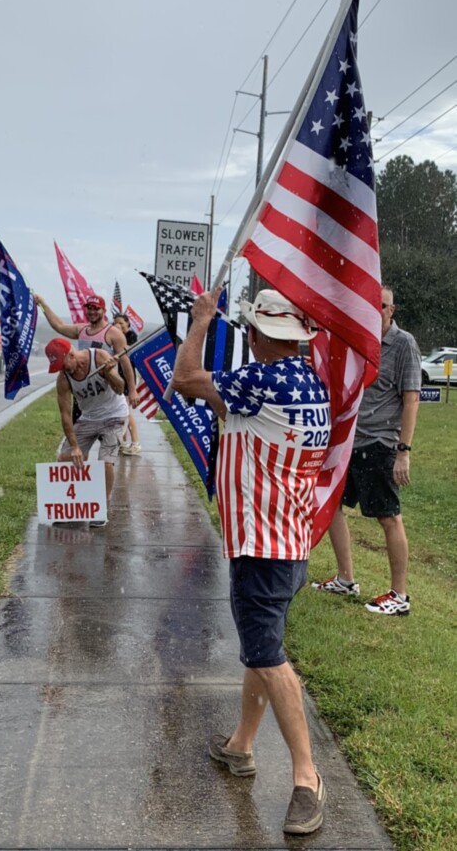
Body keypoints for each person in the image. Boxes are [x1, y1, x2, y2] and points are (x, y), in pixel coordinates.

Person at [172, 287, 330, 836]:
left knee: (267, 657)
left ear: (260, 336)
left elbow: (184, 379)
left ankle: (307, 778)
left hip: (260, 548)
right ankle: (241, 745)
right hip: (291, 542)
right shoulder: (310, 383)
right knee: (261, 650)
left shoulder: (260, 381)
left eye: (251, 332)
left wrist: (200, 320)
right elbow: (238, 415)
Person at [312, 285, 421, 615]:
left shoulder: (403, 344)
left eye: (382, 305)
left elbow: (411, 399)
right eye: (371, 304)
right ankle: (346, 579)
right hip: (350, 442)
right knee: (332, 505)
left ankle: (399, 596)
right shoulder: (357, 340)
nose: (376, 310)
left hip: (380, 444)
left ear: (392, 310)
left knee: (388, 517)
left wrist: (403, 451)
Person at [45, 337, 128, 527]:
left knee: (105, 462)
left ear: (71, 354)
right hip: (89, 417)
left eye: (63, 364)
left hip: (114, 415)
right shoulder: (64, 379)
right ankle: (70, 505)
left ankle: (102, 506)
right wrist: (74, 447)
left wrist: (109, 373)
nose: (63, 369)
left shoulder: (99, 357)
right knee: (65, 458)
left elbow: (120, 388)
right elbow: (65, 415)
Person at [35, 293, 140, 409]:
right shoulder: (81, 330)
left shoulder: (114, 333)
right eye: (89, 308)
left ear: (104, 311)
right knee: (80, 419)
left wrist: (132, 390)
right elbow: (59, 326)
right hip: (84, 390)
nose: (92, 311)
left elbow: (125, 362)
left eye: (96, 308)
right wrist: (42, 303)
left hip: (106, 391)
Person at [113, 313, 141, 456]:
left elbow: (128, 351)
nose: (118, 326)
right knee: (119, 412)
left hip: (127, 379)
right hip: (118, 378)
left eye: (121, 324)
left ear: (128, 324)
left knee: (126, 413)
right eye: (115, 324)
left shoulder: (131, 336)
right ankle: (122, 442)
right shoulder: (114, 336)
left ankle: (135, 443)